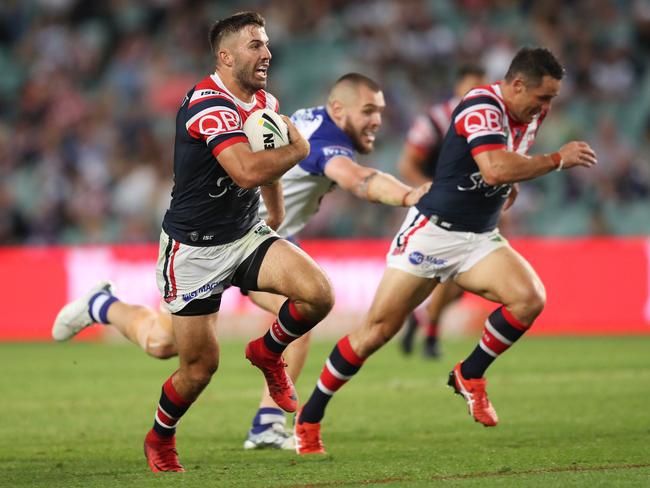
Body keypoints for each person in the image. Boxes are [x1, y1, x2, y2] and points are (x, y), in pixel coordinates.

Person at [52, 72, 430, 458]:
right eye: (368, 110)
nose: (377, 121)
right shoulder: (323, 140)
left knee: (165, 341)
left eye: (380, 111)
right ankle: (266, 423)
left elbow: (271, 168)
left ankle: (103, 305)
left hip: (255, 238)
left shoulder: (304, 120)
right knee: (188, 342)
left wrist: (277, 213)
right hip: (218, 241)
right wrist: (410, 195)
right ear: (338, 108)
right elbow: (358, 179)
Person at [53, 11, 334, 473]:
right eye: (255, 45)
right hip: (195, 252)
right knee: (188, 361)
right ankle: (154, 425)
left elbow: (266, 159)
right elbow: (245, 168)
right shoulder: (209, 106)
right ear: (225, 57)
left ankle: (267, 351)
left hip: (244, 237)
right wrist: (299, 151)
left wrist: (276, 210)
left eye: (266, 44)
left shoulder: (263, 100)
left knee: (318, 294)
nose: (267, 52)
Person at [294, 47, 598, 454]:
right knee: (376, 333)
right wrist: (555, 160)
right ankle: (309, 417)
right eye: (542, 97)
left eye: (552, 99)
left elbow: (504, 162)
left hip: (478, 236)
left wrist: (513, 179)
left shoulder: (530, 112)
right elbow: (492, 167)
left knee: (529, 299)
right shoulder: (480, 105)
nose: (546, 107)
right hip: (432, 233)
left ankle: (470, 374)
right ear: (518, 84)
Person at [398, 64, 487, 359]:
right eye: (472, 87)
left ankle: (421, 318)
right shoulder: (436, 120)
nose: (477, 94)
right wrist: (433, 189)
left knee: (459, 285)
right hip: (436, 207)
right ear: (458, 87)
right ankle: (432, 337)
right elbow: (407, 163)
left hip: (471, 205)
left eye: (481, 87)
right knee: (448, 275)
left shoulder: (487, 120)